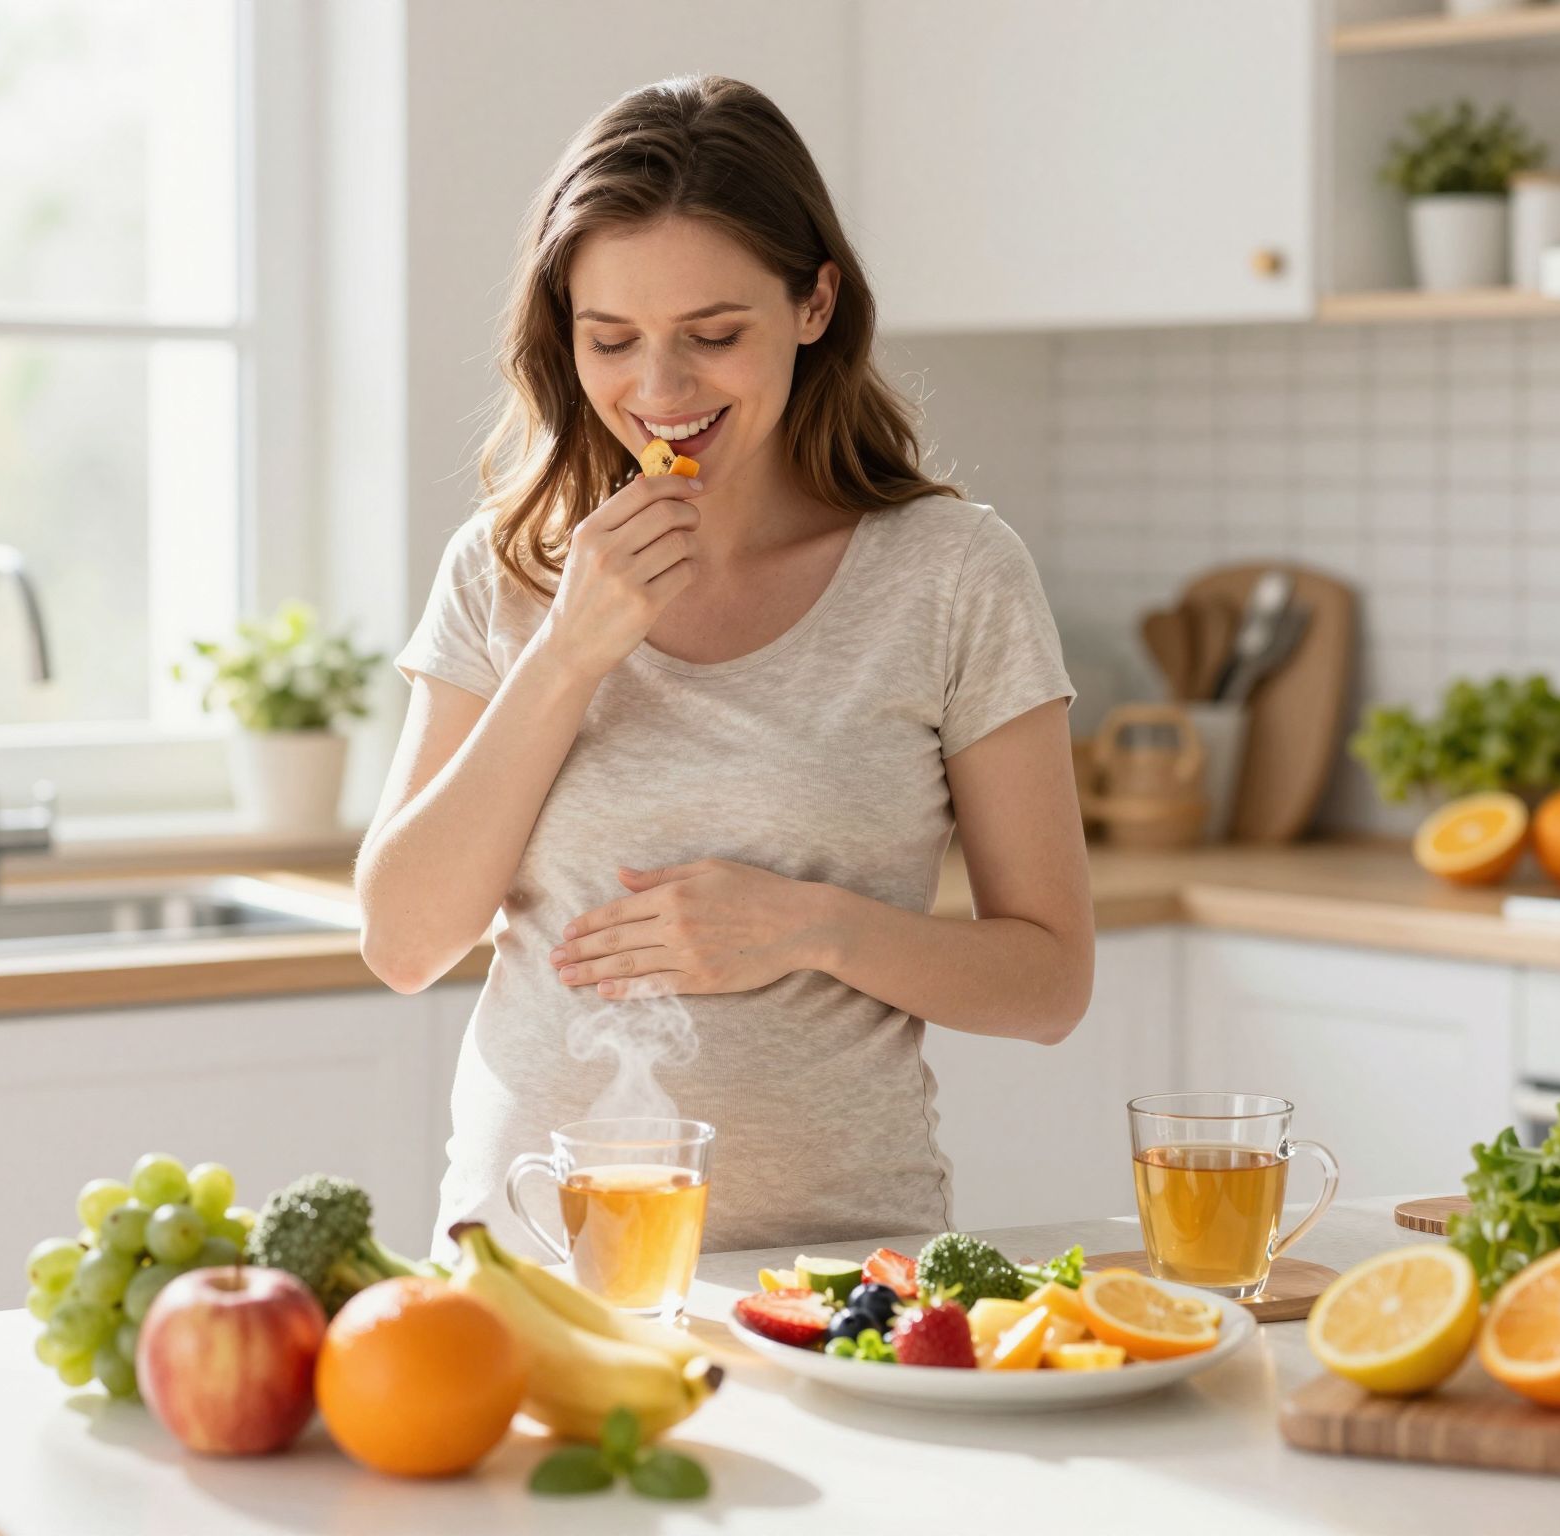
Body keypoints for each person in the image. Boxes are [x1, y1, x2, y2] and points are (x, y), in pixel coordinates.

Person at [357, 75, 1093, 1261]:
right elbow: (402, 942)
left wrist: (810, 929)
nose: (659, 392)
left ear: (813, 304)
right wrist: (565, 657)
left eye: (712, 336)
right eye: (611, 340)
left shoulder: (952, 574)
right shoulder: (506, 572)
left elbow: (1049, 981)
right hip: (530, 1267)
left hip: (845, 1272)